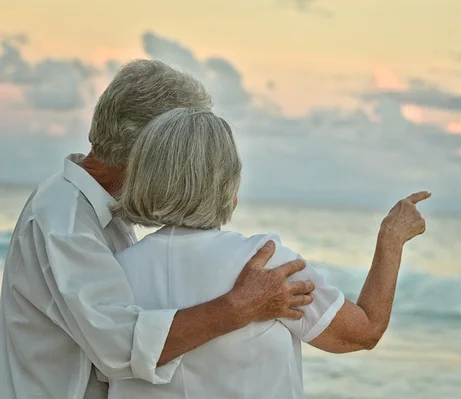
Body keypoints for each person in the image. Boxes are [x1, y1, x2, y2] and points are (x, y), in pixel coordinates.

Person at [0, 60, 316, 399]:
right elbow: (122, 346)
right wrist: (241, 306)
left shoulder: (99, 210)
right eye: (182, 151)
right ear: (146, 150)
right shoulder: (63, 217)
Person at [107, 107, 430, 398]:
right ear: (226, 182)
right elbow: (364, 332)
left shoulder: (114, 271)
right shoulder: (264, 264)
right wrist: (391, 238)